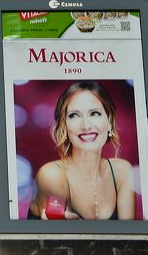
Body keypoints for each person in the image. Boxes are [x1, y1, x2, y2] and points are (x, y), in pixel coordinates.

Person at [28, 81, 135, 220]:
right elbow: (64, 238)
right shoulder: (52, 175)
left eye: (95, 113)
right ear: (64, 126)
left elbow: (128, 237)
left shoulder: (123, 171)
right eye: (74, 115)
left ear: (110, 121)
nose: (86, 125)